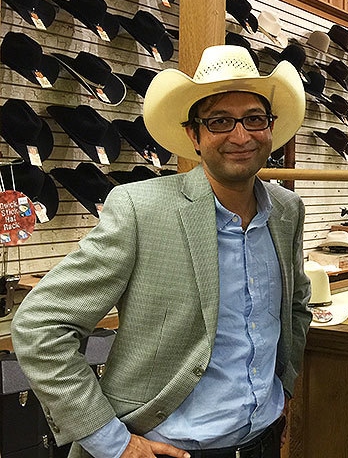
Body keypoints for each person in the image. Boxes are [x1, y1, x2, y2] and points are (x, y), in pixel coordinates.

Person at [12, 45, 312, 458]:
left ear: (270, 127)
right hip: (166, 447)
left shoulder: (286, 210)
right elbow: (40, 326)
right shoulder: (142, 209)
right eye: (220, 121)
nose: (241, 136)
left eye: (254, 119)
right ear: (194, 134)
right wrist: (110, 442)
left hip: (262, 442)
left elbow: (295, 306)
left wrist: (283, 386)